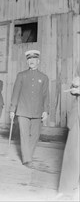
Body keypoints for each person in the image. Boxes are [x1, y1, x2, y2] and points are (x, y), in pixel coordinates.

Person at [9, 50, 49, 168]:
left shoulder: (44, 77)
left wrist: (45, 110)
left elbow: (46, 95)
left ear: (38, 61)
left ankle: (28, 155)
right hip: (23, 110)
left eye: (33, 59)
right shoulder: (21, 75)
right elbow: (15, 93)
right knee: (24, 135)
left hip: (37, 111)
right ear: (27, 61)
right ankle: (27, 159)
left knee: (35, 135)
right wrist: (12, 109)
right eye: (29, 59)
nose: (31, 61)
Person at [57, 64, 80, 200]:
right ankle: (67, 189)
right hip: (77, 114)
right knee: (72, 153)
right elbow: (75, 86)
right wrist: (75, 86)